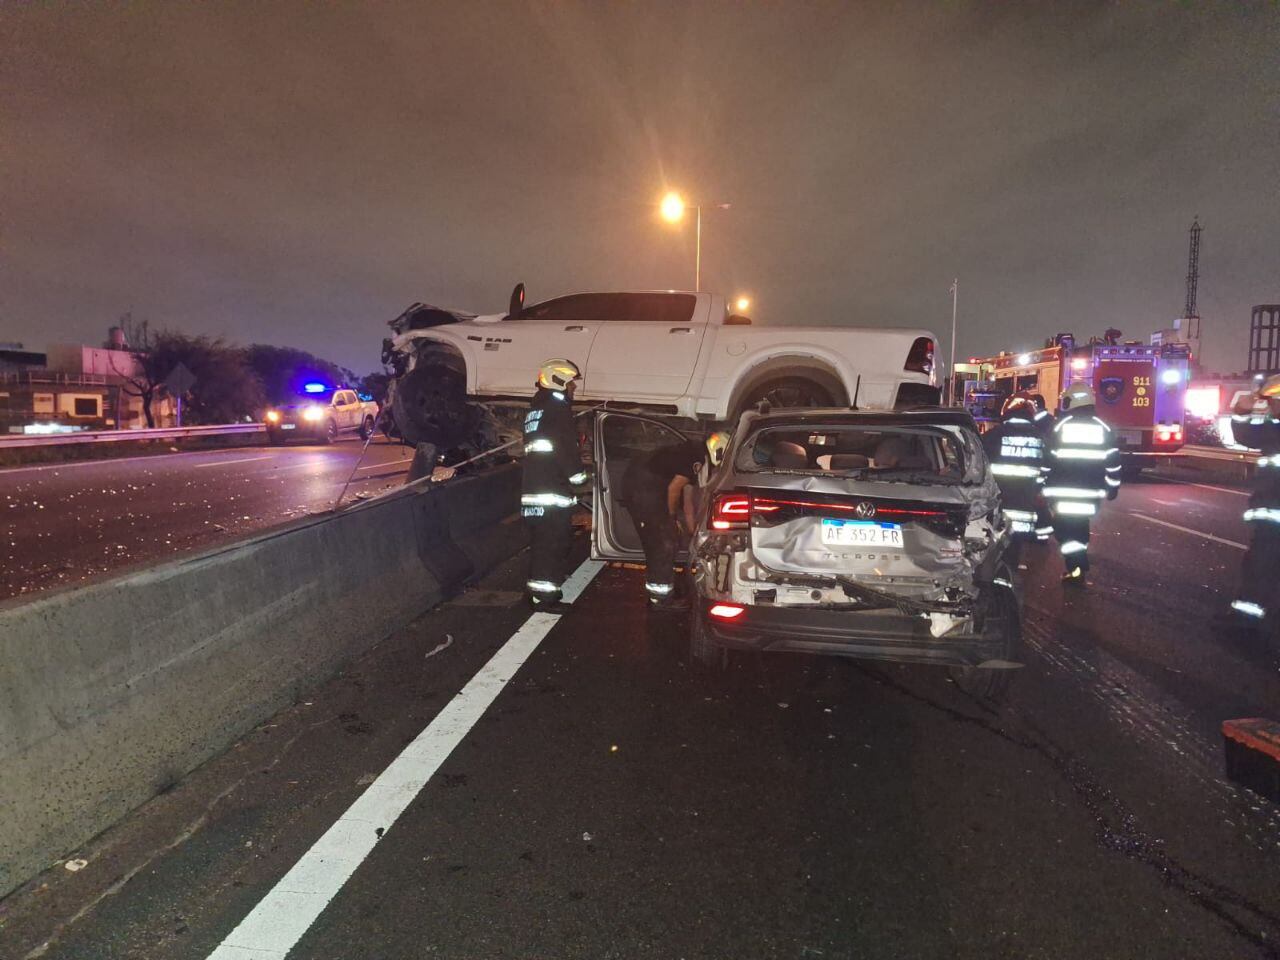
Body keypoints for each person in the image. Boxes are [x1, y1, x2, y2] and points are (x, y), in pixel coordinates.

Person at [521, 359, 588, 608]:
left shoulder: (535, 410)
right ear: (557, 381)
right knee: (553, 545)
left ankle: (535, 590)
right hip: (551, 492)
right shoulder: (558, 411)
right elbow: (565, 449)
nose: (573, 388)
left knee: (541, 545)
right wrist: (580, 478)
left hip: (533, 491)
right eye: (570, 383)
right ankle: (545, 597)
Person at [1044, 384, 1120, 584]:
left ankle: (1077, 567)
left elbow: (1048, 460)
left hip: (1062, 493)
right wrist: (1113, 487)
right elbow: (1113, 463)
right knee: (1079, 527)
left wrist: (1040, 484)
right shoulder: (1103, 428)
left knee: (1065, 530)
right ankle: (1078, 565)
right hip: (1090, 495)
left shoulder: (1060, 426)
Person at [621, 436, 707, 609]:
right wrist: (672, 518)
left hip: (646, 485)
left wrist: (694, 534)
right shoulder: (695, 458)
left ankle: (662, 592)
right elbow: (674, 490)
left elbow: (687, 501)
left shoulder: (693, 454)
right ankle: (661, 600)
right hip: (642, 488)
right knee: (663, 544)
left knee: (665, 540)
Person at [1229, 374, 1280, 632]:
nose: (1270, 406)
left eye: (1272, 401)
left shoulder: (1274, 430)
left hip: (1273, 517)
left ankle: (1245, 626)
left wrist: (1240, 410)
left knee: (1260, 569)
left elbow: (1245, 433)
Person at [982, 395, 1052, 542]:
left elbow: (977, 464)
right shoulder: (1042, 438)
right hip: (1029, 509)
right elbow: (1050, 468)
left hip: (999, 510)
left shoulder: (993, 436)